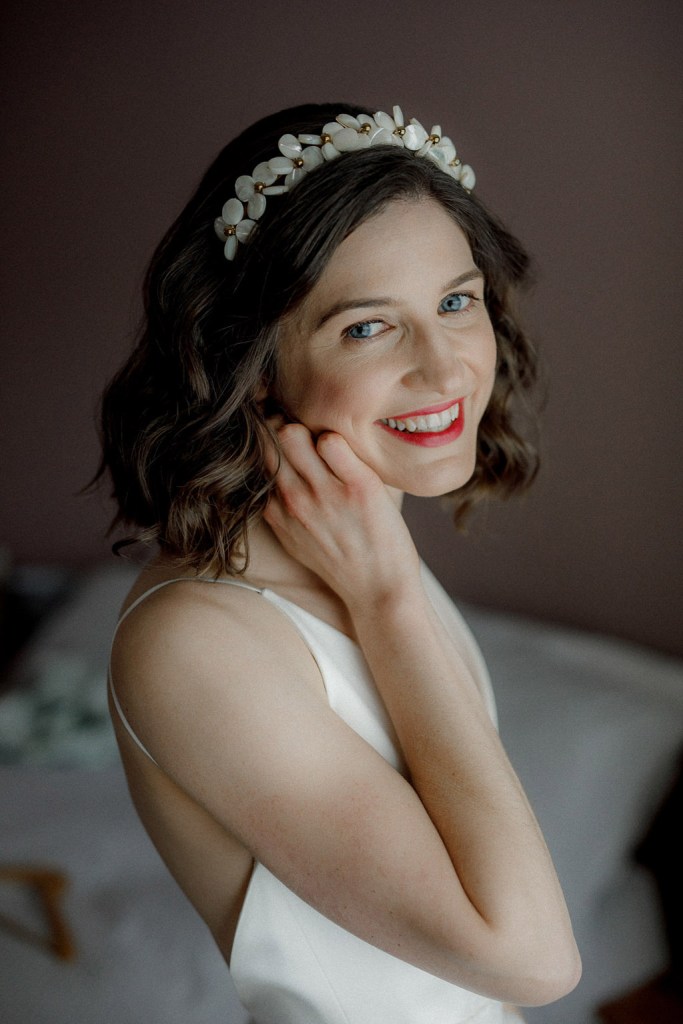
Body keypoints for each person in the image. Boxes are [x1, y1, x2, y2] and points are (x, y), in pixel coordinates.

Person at [97, 102, 581, 1023]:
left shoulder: (358, 535)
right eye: (368, 327)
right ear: (255, 363)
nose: (444, 371)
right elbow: (531, 961)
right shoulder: (197, 638)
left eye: (454, 301)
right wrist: (387, 594)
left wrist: (381, 579)